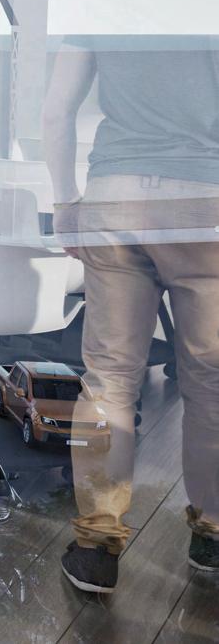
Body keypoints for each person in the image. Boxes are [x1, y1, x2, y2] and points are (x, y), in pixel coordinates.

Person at [45, 36, 219, 594]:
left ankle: (96, 548)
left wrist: (64, 202)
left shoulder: (104, 0)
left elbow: (57, 110)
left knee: (110, 379)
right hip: (208, 198)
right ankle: (213, 535)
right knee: (211, 380)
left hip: (115, 196)